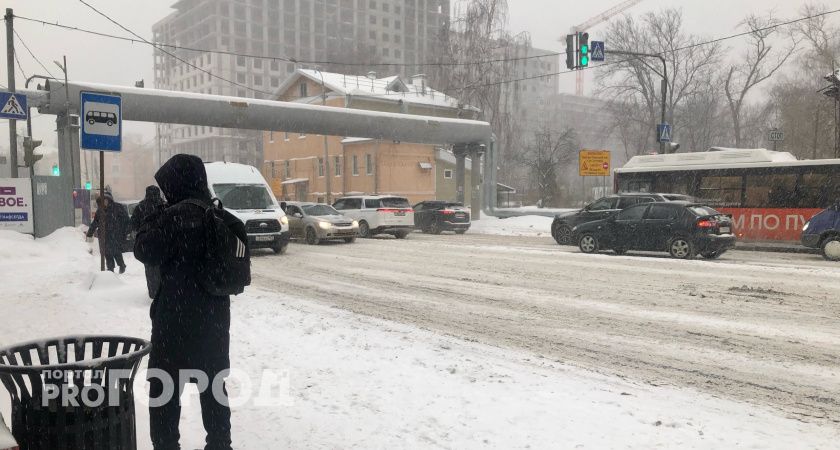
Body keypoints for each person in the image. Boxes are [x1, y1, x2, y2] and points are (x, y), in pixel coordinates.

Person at [134, 154, 232, 450]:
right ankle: (219, 445)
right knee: (214, 390)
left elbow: (143, 250)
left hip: (174, 325)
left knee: (163, 393)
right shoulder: (216, 214)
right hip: (213, 323)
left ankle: (166, 446)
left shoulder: (173, 218)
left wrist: (152, 214)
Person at [132, 186, 166, 299]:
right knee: (163, 267)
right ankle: (163, 291)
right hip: (163, 242)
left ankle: (153, 293)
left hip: (146, 243)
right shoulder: (165, 206)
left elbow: (134, 223)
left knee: (150, 267)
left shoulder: (140, 207)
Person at [86, 191, 129, 273]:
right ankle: (110, 269)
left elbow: (126, 220)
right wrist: (90, 232)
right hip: (104, 236)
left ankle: (121, 265)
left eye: (106, 200)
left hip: (116, 234)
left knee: (116, 252)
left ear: (110, 200)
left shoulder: (117, 207)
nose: (104, 202)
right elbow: (95, 222)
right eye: (102, 200)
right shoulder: (100, 211)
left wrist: (124, 230)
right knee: (107, 253)